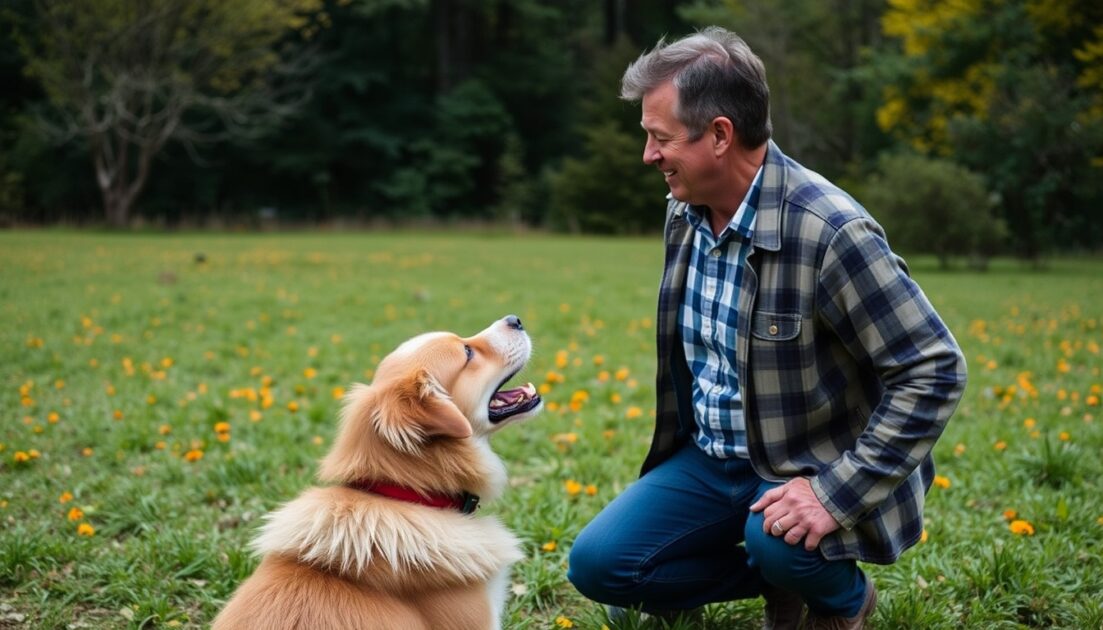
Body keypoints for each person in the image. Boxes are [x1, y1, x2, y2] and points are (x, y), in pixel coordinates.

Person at [566, 26, 967, 630]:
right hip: (712, 459)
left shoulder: (830, 231)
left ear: (720, 135)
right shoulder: (683, 211)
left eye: (659, 137)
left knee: (778, 541)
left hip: (808, 464)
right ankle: (779, 573)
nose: (648, 155)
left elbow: (934, 368)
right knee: (599, 567)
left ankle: (841, 599)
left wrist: (834, 494)